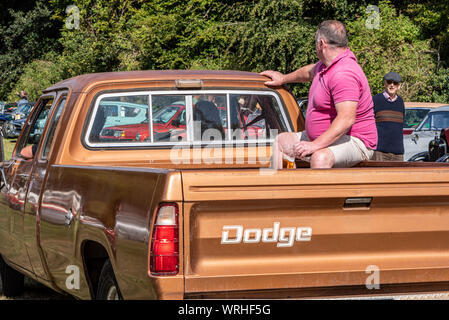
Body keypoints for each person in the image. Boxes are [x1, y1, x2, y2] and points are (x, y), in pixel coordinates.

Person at [261, 20, 377, 169]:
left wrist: (314, 145)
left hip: (356, 141)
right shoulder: (325, 66)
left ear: (321, 44)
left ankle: (316, 193)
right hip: (324, 138)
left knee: (320, 158)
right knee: (282, 141)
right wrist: (283, 78)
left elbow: (346, 119)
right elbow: (307, 72)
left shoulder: (344, 73)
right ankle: (284, 190)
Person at [372, 72, 405, 161]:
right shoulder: (375, 100)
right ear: (384, 83)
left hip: (398, 153)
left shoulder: (401, 102)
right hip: (379, 152)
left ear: (399, 85)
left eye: (395, 83)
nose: (392, 85)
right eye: (389, 82)